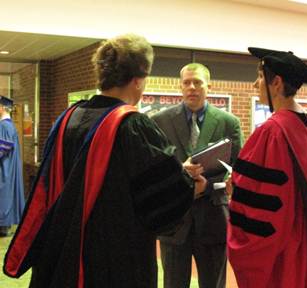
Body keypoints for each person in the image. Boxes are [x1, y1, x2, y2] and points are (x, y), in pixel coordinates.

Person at [3, 34, 207, 288]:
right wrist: (190, 186)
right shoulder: (132, 125)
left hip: (64, 252)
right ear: (137, 80)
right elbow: (160, 203)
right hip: (113, 260)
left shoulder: (68, 118)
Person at [227, 47, 307, 288]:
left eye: (260, 77)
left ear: (277, 83)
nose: (254, 84)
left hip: (287, 255)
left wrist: (235, 189)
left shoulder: (272, 132)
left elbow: (261, 204)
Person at [152, 63, 243, 288]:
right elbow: (153, 171)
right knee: (173, 283)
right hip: (175, 221)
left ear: (208, 86)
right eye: (186, 83)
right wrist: (179, 172)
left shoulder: (228, 123)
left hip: (213, 218)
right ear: (180, 87)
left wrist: (214, 187)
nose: (192, 87)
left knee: (214, 284)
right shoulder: (160, 121)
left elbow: (238, 172)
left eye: (197, 82)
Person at [0, 95, 25, 237]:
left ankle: (3, 226)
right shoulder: (8, 125)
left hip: (4, 168)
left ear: (2, 108)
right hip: (7, 166)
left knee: (4, 194)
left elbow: (3, 147)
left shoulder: (4, 126)